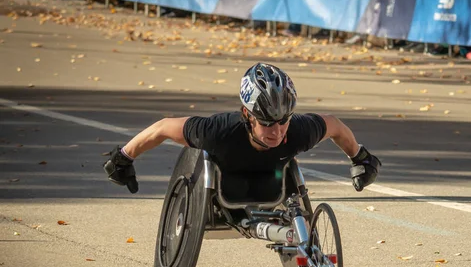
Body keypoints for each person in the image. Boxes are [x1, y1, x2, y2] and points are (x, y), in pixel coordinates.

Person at [103, 63, 381, 201]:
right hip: (225, 188)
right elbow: (163, 128)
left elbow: (334, 125)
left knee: (280, 184)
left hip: (271, 185)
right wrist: (124, 157)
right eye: (267, 122)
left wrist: (360, 157)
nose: (277, 131)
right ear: (247, 115)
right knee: (234, 187)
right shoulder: (218, 131)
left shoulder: (298, 131)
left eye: (283, 120)